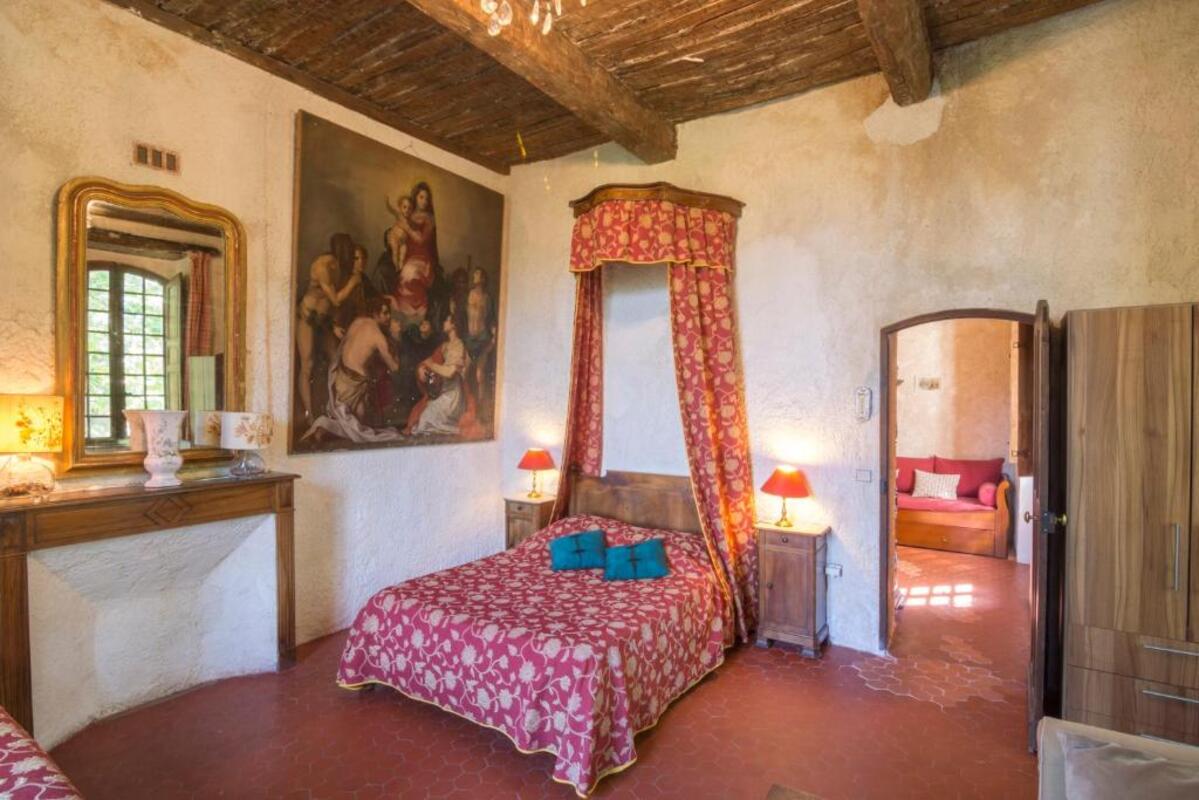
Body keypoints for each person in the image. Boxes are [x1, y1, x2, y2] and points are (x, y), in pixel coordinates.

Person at [302, 298, 406, 444]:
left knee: (357, 420)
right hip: (353, 385)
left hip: (340, 377)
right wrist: (396, 338)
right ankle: (322, 427)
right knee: (358, 427)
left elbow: (348, 343)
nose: (388, 317)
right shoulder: (378, 336)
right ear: (375, 313)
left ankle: (323, 429)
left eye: (389, 313)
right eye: (385, 313)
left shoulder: (358, 321)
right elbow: (395, 367)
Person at [295, 233, 363, 421]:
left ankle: (335, 409)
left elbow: (331, 306)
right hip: (308, 317)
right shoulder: (323, 266)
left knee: (335, 361)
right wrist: (352, 283)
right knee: (307, 365)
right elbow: (335, 300)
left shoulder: (340, 268)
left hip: (324, 321)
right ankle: (309, 415)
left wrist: (333, 326)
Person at [405, 315, 484, 438]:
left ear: (454, 325)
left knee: (426, 420)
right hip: (444, 392)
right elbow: (429, 360)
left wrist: (431, 365)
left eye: (447, 320)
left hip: (454, 395)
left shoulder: (458, 345)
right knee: (424, 419)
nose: (444, 322)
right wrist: (421, 368)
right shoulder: (445, 345)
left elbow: (449, 372)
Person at [391, 182, 439, 329]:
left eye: (427, 198)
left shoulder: (429, 218)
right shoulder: (409, 214)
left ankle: (416, 319)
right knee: (401, 274)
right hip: (408, 256)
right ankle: (403, 320)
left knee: (408, 274)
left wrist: (406, 227)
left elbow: (421, 240)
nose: (424, 201)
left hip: (422, 259)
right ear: (415, 197)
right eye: (421, 197)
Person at [373, 194, 412, 296]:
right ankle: (396, 267)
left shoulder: (410, 220)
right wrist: (387, 202)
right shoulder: (399, 215)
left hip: (403, 240)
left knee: (403, 253)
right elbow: (391, 209)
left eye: (409, 208)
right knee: (395, 252)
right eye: (404, 207)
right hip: (394, 237)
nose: (407, 210)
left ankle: (400, 268)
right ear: (400, 207)